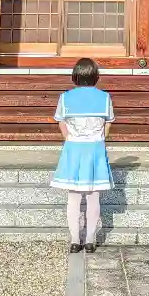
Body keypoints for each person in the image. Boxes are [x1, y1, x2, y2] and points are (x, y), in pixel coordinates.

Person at [51, 57, 115, 253]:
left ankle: (74, 240)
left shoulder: (65, 97)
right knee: (94, 196)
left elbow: (61, 122)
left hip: (74, 148)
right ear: (96, 76)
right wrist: (101, 136)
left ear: (75, 76)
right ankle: (89, 240)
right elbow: (108, 122)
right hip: (95, 148)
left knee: (74, 197)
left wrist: (69, 138)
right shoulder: (104, 98)